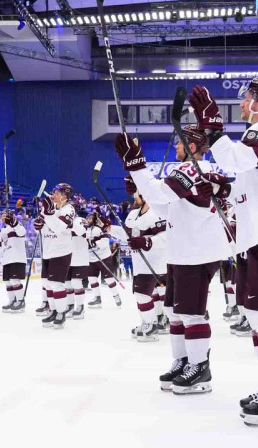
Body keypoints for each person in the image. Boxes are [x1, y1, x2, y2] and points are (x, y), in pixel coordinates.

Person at [190, 78, 258, 425]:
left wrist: (214, 127)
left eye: (247, 96)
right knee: (255, 312)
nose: (242, 103)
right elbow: (246, 176)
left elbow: (238, 159)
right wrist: (222, 187)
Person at [119, 123, 231, 396]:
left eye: (181, 143)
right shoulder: (192, 171)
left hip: (196, 253)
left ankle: (199, 367)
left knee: (191, 314)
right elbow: (165, 207)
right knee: (175, 313)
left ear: (192, 146)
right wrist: (142, 178)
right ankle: (183, 361)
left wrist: (137, 166)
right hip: (183, 252)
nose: (177, 147)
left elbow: (158, 194)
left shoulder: (193, 169)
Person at [109, 175, 169, 342]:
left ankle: (150, 325)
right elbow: (128, 235)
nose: (133, 198)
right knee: (152, 294)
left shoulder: (159, 211)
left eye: (136, 194)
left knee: (142, 295)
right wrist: (108, 227)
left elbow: (166, 237)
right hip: (140, 263)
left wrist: (146, 241)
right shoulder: (133, 213)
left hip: (155, 262)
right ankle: (158, 321)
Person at [34, 183, 75, 329]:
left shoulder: (69, 210)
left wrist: (48, 214)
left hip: (61, 252)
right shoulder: (50, 209)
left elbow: (59, 228)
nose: (53, 195)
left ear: (64, 197)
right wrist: (38, 225)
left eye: (57, 193)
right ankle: (53, 310)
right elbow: (45, 228)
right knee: (46, 283)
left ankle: (61, 313)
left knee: (57, 284)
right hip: (48, 250)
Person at [0, 211, 27, 313]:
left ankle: (21, 301)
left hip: (17, 258)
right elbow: (1, 248)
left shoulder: (17, 225)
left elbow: (22, 232)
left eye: (5, 216)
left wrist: (14, 223)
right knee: (8, 282)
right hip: (7, 259)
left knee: (14, 280)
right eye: (2, 216)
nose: (3, 217)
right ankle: (12, 301)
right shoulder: (2, 231)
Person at [85, 212, 121, 308]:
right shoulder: (86, 230)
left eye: (89, 218)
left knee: (109, 279)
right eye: (87, 218)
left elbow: (105, 241)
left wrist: (94, 243)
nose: (87, 220)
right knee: (92, 278)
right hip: (91, 258)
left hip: (103, 257)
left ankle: (116, 295)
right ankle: (97, 298)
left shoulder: (98, 229)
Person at [66, 207, 90, 320]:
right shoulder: (70, 220)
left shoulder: (78, 220)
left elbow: (82, 231)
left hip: (78, 256)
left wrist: (70, 223)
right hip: (69, 255)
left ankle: (80, 307)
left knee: (75, 283)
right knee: (67, 284)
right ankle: (71, 306)